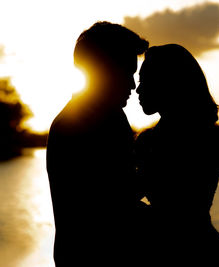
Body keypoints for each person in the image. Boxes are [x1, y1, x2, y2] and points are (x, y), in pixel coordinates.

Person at [46, 21, 149, 266]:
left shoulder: (107, 116)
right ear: (104, 69)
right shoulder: (83, 123)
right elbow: (115, 204)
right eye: (127, 73)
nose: (133, 85)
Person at [135, 44, 219, 266]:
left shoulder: (165, 141)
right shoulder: (204, 135)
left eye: (145, 80)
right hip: (206, 249)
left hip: (185, 254)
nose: (138, 89)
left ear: (168, 83)